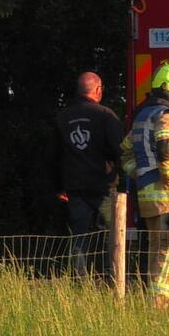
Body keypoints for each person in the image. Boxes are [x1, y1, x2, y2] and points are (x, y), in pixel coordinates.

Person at [122, 63, 169, 308]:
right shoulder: (166, 115)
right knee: (167, 257)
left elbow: (125, 153)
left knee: (156, 254)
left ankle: (153, 304)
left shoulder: (142, 115)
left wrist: (143, 174)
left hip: (150, 199)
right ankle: (160, 308)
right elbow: (165, 149)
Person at [51, 71, 124, 279]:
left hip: (74, 188)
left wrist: (59, 186)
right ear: (98, 89)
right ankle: (111, 278)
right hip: (104, 186)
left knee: (79, 237)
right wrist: (118, 177)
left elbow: (54, 155)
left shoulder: (63, 117)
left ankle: (80, 281)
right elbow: (121, 150)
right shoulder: (106, 115)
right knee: (110, 236)